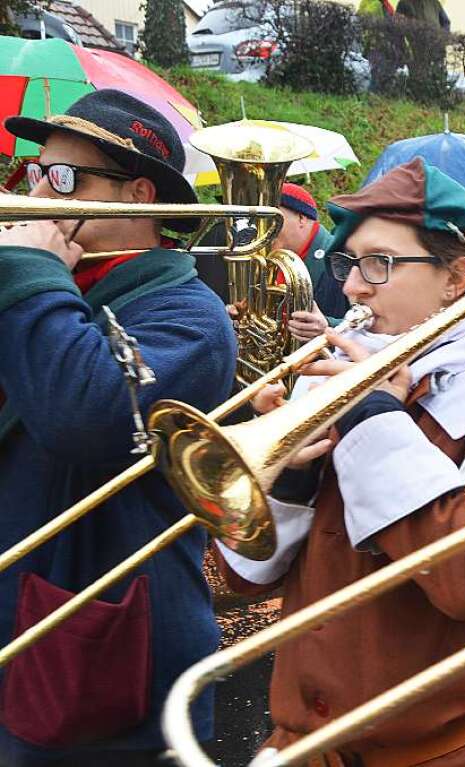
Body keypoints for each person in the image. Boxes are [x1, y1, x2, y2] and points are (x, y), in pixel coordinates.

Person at [213, 158, 465, 766]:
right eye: (348, 263)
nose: (351, 287)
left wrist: (375, 420)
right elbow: (233, 584)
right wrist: (292, 479)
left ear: (456, 277)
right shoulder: (327, 376)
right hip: (303, 746)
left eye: (379, 264)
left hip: (451, 753)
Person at [0, 90, 236, 766]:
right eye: (36, 172)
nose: (40, 192)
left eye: (66, 177)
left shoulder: (188, 313)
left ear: (139, 196)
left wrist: (35, 275)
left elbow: (84, 415)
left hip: (101, 645)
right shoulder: (48, 280)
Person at [276, 182, 351, 341]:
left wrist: (328, 327)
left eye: (273, 220)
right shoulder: (272, 258)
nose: (263, 229)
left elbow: (374, 325)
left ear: (301, 218)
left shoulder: (342, 256)